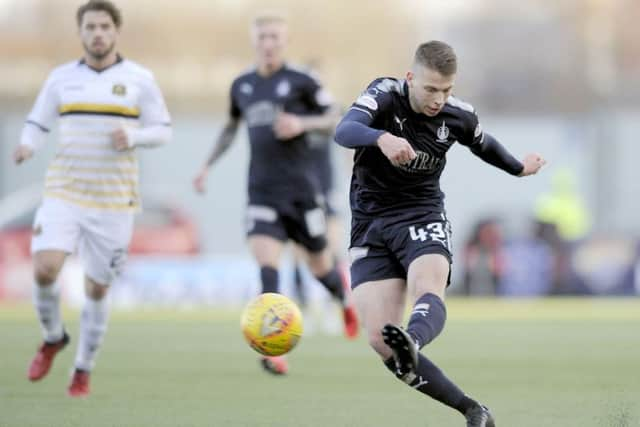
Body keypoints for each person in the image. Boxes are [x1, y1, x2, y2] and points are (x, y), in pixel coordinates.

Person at [334, 40, 546, 426]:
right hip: (370, 223)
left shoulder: (457, 115)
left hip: (421, 213)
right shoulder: (382, 94)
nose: (438, 99)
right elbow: (344, 130)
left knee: (428, 285)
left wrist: (519, 168)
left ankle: (413, 339)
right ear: (411, 77)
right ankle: (472, 409)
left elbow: (484, 144)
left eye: (446, 90)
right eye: (431, 89)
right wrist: (381, 137)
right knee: (380, 340)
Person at [13, 0, 171, 397]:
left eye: (104, 26)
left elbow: (163, 129)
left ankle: (83, 368)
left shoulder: (139, 79)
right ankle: (52, 337)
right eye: (90, 27)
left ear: (116, 31)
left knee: (97, 289)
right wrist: (27, 145)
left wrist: (133, 136)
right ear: (80, 32)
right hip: (64, 191)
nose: (97, 33)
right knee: (45, 269)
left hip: (114, 202)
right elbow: (37, 121)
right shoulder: (61, 79)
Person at [192, 14, 358, 375]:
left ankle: (345, 300)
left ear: (284, 41)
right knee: (268, 267)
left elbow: (337, 117)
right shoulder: (242, 85)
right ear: (254, 41)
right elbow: (231, 127)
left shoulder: (303, 81)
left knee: (320, 266)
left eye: (275, 37)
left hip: (302, 192)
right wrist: (206, 165)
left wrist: (302, 123)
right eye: (263, 36)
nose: (269, 42)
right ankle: (275, 350)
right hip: (262, 193)